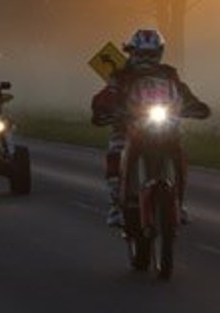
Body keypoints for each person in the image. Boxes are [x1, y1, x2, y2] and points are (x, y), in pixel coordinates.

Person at [89, 27, 210, 226]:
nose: (147, 59)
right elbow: (107, 94)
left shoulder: (169, 74)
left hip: (164, 124)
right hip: (128, 126)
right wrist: (103, 109)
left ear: (160, 54)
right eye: (142, 54)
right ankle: (115, 205)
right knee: (116, 151)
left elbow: (183, 93)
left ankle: (179, 204)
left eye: (152, 54)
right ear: (133, 53)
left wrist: (196, 106)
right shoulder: (121, 75)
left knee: (178, 151)